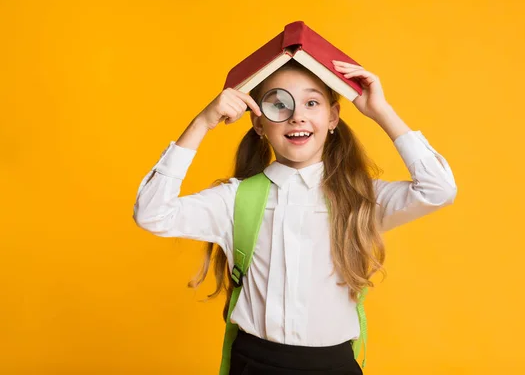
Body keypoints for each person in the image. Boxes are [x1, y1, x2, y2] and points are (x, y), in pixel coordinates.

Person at [133, 58, 457, 374]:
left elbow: (437, 189)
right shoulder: (234, 200)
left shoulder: (360, 198)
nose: (297, 117)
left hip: (334, 365)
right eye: (279, 105)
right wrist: (202, 123)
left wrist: (382, 112)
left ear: (333, 118)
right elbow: (152, 213)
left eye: (312, 103)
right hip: (254, 362)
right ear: (259, 123)